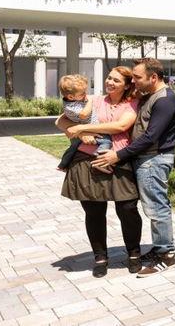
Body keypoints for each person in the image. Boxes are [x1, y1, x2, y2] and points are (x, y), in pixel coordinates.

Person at [94, 57, 175, 276]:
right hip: (145, 160)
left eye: (138, 77)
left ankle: (166, 255)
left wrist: (118, 155)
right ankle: (160, 248)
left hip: (154, 160)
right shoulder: (149, 95)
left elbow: (151, 137)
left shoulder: (165, 100)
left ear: (153, 77)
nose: (134, 81)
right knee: (154, 206)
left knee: (156, 208)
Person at [59, 67, 143, 278]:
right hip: (86, 159)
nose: (110, 82)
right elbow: (60, 121)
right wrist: (79, 133)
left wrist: (82, 129)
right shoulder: (93, 100)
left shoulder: (132, 103)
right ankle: (100, 258)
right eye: (109, 78)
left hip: (118, 158)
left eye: (116, 80)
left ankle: (134, 253)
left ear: (127, 85)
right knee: (94, 212)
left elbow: (120, 126)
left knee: (128, 208)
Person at [55, 74, 109, 171]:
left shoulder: (73, 101)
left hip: (82, 131)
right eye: (82, 93)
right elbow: (84, 114)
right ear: (71, 96)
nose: (85, 94)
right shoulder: (71, 106)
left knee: (73, 147)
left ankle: (62, 165)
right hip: (84, 131)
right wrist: (90, 101)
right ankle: (99, 158)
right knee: (106, 141)